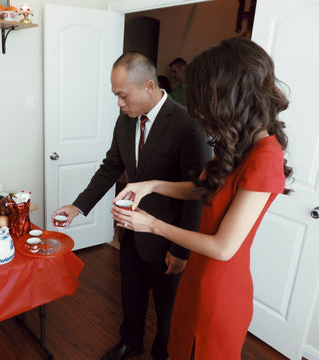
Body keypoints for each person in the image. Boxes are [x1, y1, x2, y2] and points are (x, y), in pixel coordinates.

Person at [111, 37, 292, 360]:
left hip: (220, 288)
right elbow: (203, 188)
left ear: (230, 96)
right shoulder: (240, 144)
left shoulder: (266, 156)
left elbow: (223, 247)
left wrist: (151, 224)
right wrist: (150, 185)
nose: (200, 112)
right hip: (196, 275)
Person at [51, 52, 210, 360]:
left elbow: (197, 193)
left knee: (167, 307)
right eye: (116, 96)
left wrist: (181, 251)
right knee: (131, 295)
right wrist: (78, 206)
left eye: (122, 95)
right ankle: (130, 342)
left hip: (168, 237)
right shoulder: (125, 121)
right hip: (129, 231)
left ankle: (163, 353)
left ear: (148, 86)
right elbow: (111, 166)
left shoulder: (187, 125)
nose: (119, 103)